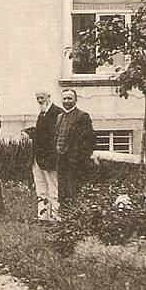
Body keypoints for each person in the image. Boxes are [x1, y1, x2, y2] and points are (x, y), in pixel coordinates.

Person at [25, 89, 64, 221]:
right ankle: (43, 216)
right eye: (37, 98)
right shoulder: (42, 113)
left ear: (48, 96)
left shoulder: (57, 112)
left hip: (49, 157)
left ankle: (56, 216)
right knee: (41, 187)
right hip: (38, 157)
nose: (40, 100)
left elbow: (56, 136)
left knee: (53, 187)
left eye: (42, 98)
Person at [55, 88, 96, 205]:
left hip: (75, 162)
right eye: (64, 98)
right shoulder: (60, 117)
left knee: (74, 192)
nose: (67, 101)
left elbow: (90, 140)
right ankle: (64, 217)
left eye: (70, 98)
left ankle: (75, 218)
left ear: (76, 100)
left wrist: (81, 157)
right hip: (61, 160)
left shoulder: (82, 116)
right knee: (62, 191)